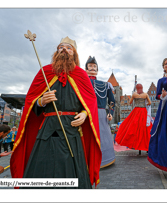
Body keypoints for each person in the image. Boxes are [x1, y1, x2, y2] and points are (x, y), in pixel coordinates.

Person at [10, 37, 102, 189]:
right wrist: (41, 101)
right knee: (43, 166)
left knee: (73, 167)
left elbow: (90, 102)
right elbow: (30, 102)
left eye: (69, 47)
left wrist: (85, 114)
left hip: (71, 128)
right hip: (48, 129)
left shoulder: (81, 75)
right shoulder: (45, 72)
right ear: (56, 51)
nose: (64, 49)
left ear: (75, 53)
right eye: (61, 47)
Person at [85, 56, 116, 168]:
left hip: (101, 114)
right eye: (90, 66)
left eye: (94, 66)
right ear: (86, 69)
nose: (92, 68)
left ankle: (105, 160)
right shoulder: (81, 83)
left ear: (97, 69)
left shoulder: (105, 84)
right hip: (86, 113)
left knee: (103, 138)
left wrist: (110, 113)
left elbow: (112, 101)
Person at [115, 83, 152, 155]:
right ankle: (147, 145)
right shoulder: (145, 94)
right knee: (145, 128)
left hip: (136, 111)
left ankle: (135, 145)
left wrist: (134, 99)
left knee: (132, 126)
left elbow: (130, 102)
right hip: (143, 110)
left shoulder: (134, 94)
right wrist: (145, 104)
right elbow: (149, 102)